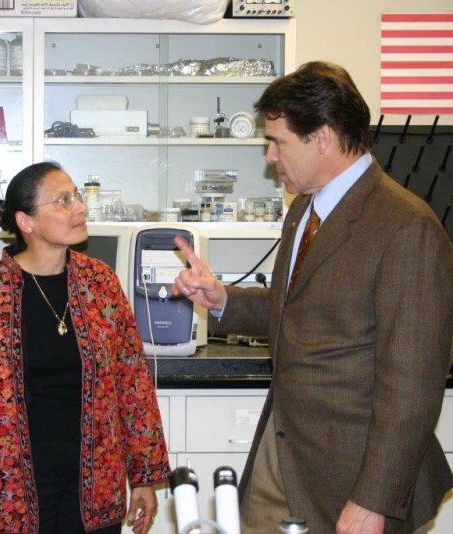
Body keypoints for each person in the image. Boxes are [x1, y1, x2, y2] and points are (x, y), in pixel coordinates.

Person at [173, 61, 453, 534]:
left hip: (352, 477)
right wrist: (220, 300)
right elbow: (302, 308)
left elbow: (413, 388)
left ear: (322, 136)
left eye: (277, 140)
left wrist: (373, 501)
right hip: (281, 451)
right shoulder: (305, 207)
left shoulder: (406, 227)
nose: (268, 156)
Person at [0, 161, 170, 534]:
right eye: (63, 200)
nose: (80, 208)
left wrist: (144, 475)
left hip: (95, 487)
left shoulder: (100, 285)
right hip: (7, 493)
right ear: (27, 222)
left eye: (77, 198)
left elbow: (131, 381)